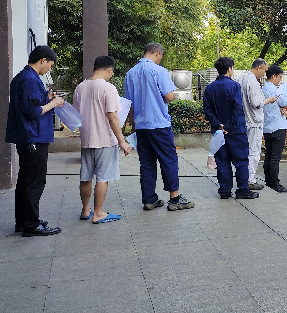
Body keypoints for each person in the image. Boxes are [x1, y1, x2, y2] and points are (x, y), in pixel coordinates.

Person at [124, 43, 195, 211]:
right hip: (159, 124)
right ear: (157, 53)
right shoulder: (159, 71)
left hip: (140, 125)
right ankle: (175, 198)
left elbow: (129, 104)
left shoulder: (130, 73)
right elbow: (169, 96)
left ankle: (149, 199)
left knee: (146, 162)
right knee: (168, 158)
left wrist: (133, 125)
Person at [6, 45, 64, 236]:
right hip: (34, 137)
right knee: (34, 182)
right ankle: (31, 224)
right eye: (50, 65)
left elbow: (30, 103)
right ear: (42, 60)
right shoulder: (30, 80)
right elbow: (33, 111)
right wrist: (54, 103)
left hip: (26, 136)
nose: (49, 69)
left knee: (24, 180)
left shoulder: (21, 77)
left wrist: (46, 97)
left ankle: (23, 221)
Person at [73, 56, 132, 224]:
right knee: (102, 177)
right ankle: (98, 213)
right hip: (105, 139)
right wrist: (122, 141)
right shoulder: (108, 88)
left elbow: (77, 115)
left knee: (86, 176)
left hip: (86, 138)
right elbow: (113, 116)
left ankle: (86, 210)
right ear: (109, 70)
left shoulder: (80, 87)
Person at [203, 57, 259, 200]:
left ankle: (224, 190)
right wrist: (228, 125)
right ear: (229, 69)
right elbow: (236, 108)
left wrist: (219, 125)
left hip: (218, 131)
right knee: (240, 161)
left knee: (222, 161)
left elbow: (207, 110)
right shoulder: (234, 86)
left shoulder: (210, 88)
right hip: (235, 130)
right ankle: (242, 190)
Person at [239, 59, 277, 191]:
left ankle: (245, 178)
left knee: (245, 151)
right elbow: (257, 102)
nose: (264, 74)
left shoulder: (241, 78)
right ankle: (250, 179)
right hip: (254, 121)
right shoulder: (253, 82)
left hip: (244, 119)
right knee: (254, 151)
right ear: (259, 68)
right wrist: (268, 100)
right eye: (264, 71)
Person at [262, 65, 287, 193]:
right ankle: (275, 183)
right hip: (278, 126)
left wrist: (281, 108)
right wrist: (285, 106)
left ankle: (268, 180)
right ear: (273, 76)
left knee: (268, 155)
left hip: (267, 126)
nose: (280, 80)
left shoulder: (263, 89)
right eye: (279, 77)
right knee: (275, 157)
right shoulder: (276, 90)